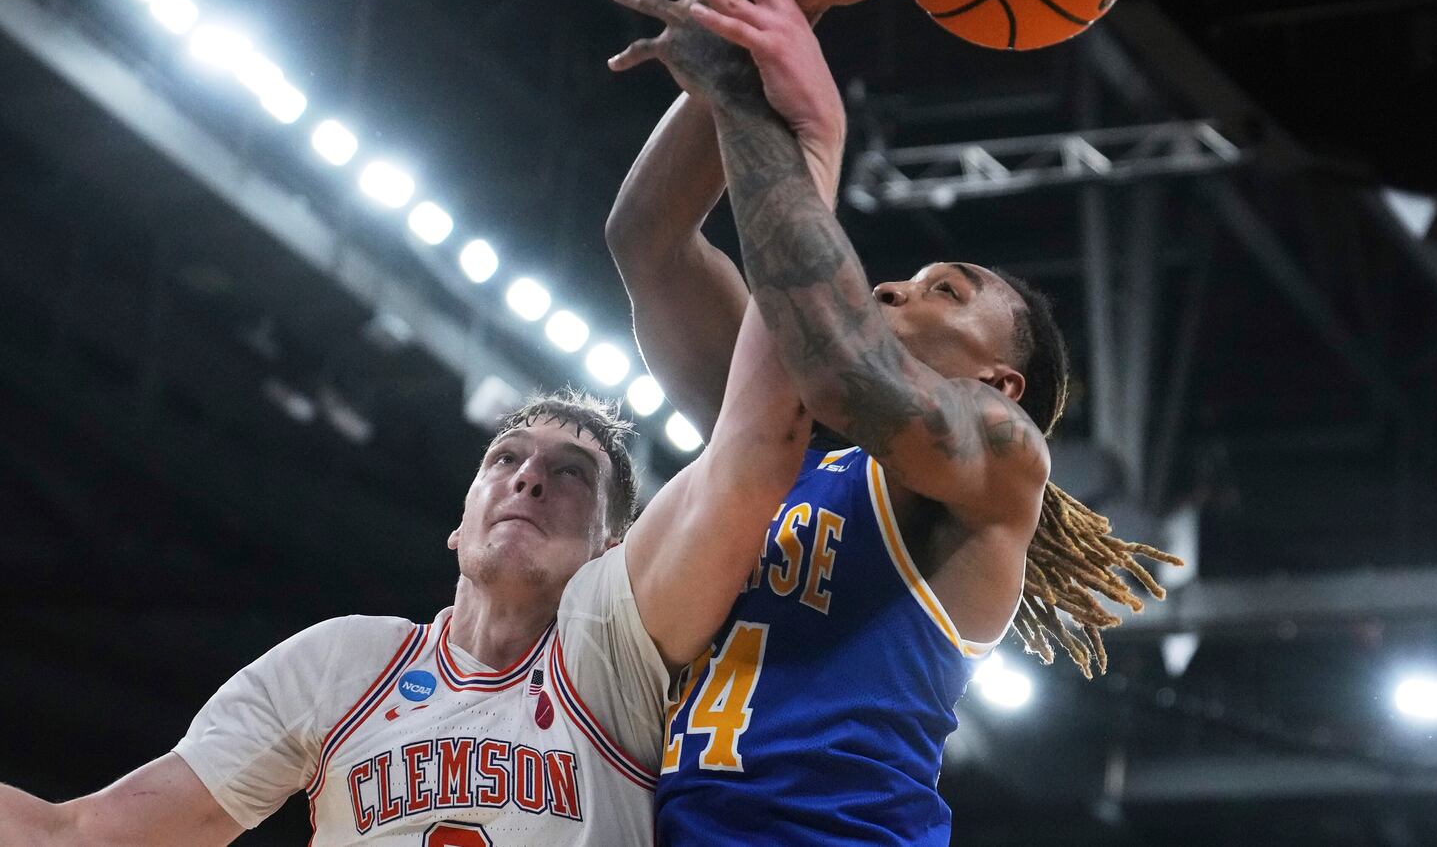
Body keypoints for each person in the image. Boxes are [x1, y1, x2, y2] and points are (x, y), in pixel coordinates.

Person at [605, 0, 1179, 845]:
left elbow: (839, 361)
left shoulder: (998, 462)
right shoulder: (783, 434)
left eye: (942, 291)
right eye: (906, 276)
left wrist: (753, 90)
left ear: (998, 382)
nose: (889, 285)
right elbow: (647, 243)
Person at [0, 295, 821, 843]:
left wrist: (796, 141)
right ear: (457, 528)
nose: (530, 477)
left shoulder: (614, 652)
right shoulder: (344, 664)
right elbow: (76, 836)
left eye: (570, 474)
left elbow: (754, 446)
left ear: (614, 548)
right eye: (505, 460)